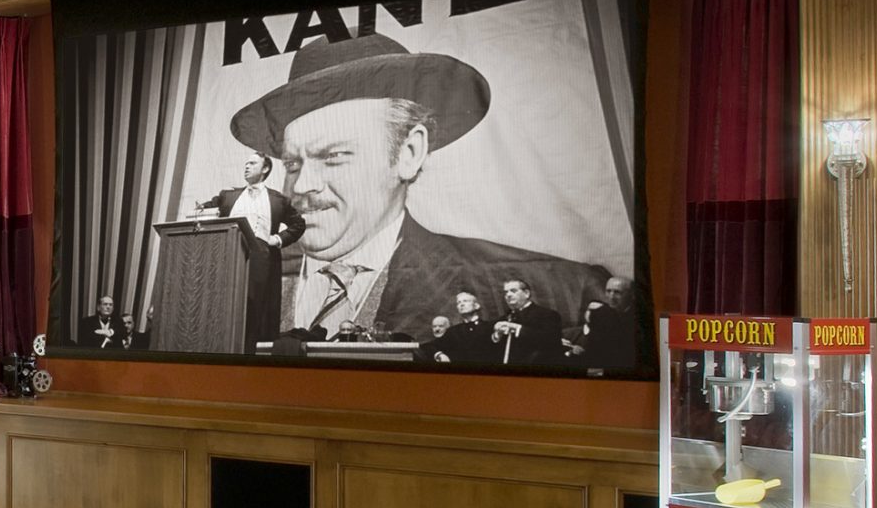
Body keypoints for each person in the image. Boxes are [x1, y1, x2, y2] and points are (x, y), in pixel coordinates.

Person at [228, 32, 604, 340]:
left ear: (409, 152)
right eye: (293, 163)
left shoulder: (566, 292)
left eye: (334, 157)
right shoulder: (234, 284)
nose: (302, 185)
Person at [194, 151, 303, 347]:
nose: (246, 166)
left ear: (265, 168)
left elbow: (298, 225)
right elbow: (202, 212)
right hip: (228, 259)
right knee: (224, 306)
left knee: (255, 311)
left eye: (252, 163)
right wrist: (198, 212)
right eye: (246, 163)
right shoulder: (227, 196)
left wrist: (277, 239)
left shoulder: (278, 200)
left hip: (261, 263)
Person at [490, 278, 563, 367]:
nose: (508, 295)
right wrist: (497, 335)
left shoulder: (547, 315)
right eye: (506, 292)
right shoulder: (503, 318)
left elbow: (551, 341)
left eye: (513, 291)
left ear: (526, 293)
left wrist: (518, 328)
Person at [575, 274, 642, 369]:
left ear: (631, 295)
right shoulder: (600, 313)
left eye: (617, 292)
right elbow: (594, 346)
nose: (611, 297)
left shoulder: (637, 318)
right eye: (608, 291)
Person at [438, 289, 493, 367]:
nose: (461, 304)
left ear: (476, 305)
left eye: (465, 301)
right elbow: (432, 345)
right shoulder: (452, 332)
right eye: (459, 302)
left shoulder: (489, 327)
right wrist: (439, 355)